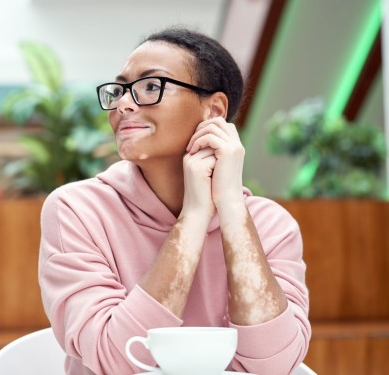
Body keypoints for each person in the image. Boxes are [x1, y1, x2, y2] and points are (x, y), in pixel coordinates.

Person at [38, 27, 311, 375]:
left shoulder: (271, 225)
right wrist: (193, 218)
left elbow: (276, 366)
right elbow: (115, 361)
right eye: (120, 90)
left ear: (214, 110)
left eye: (151, 86)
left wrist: (228, 206)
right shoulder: (77, 209)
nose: (123, 103)